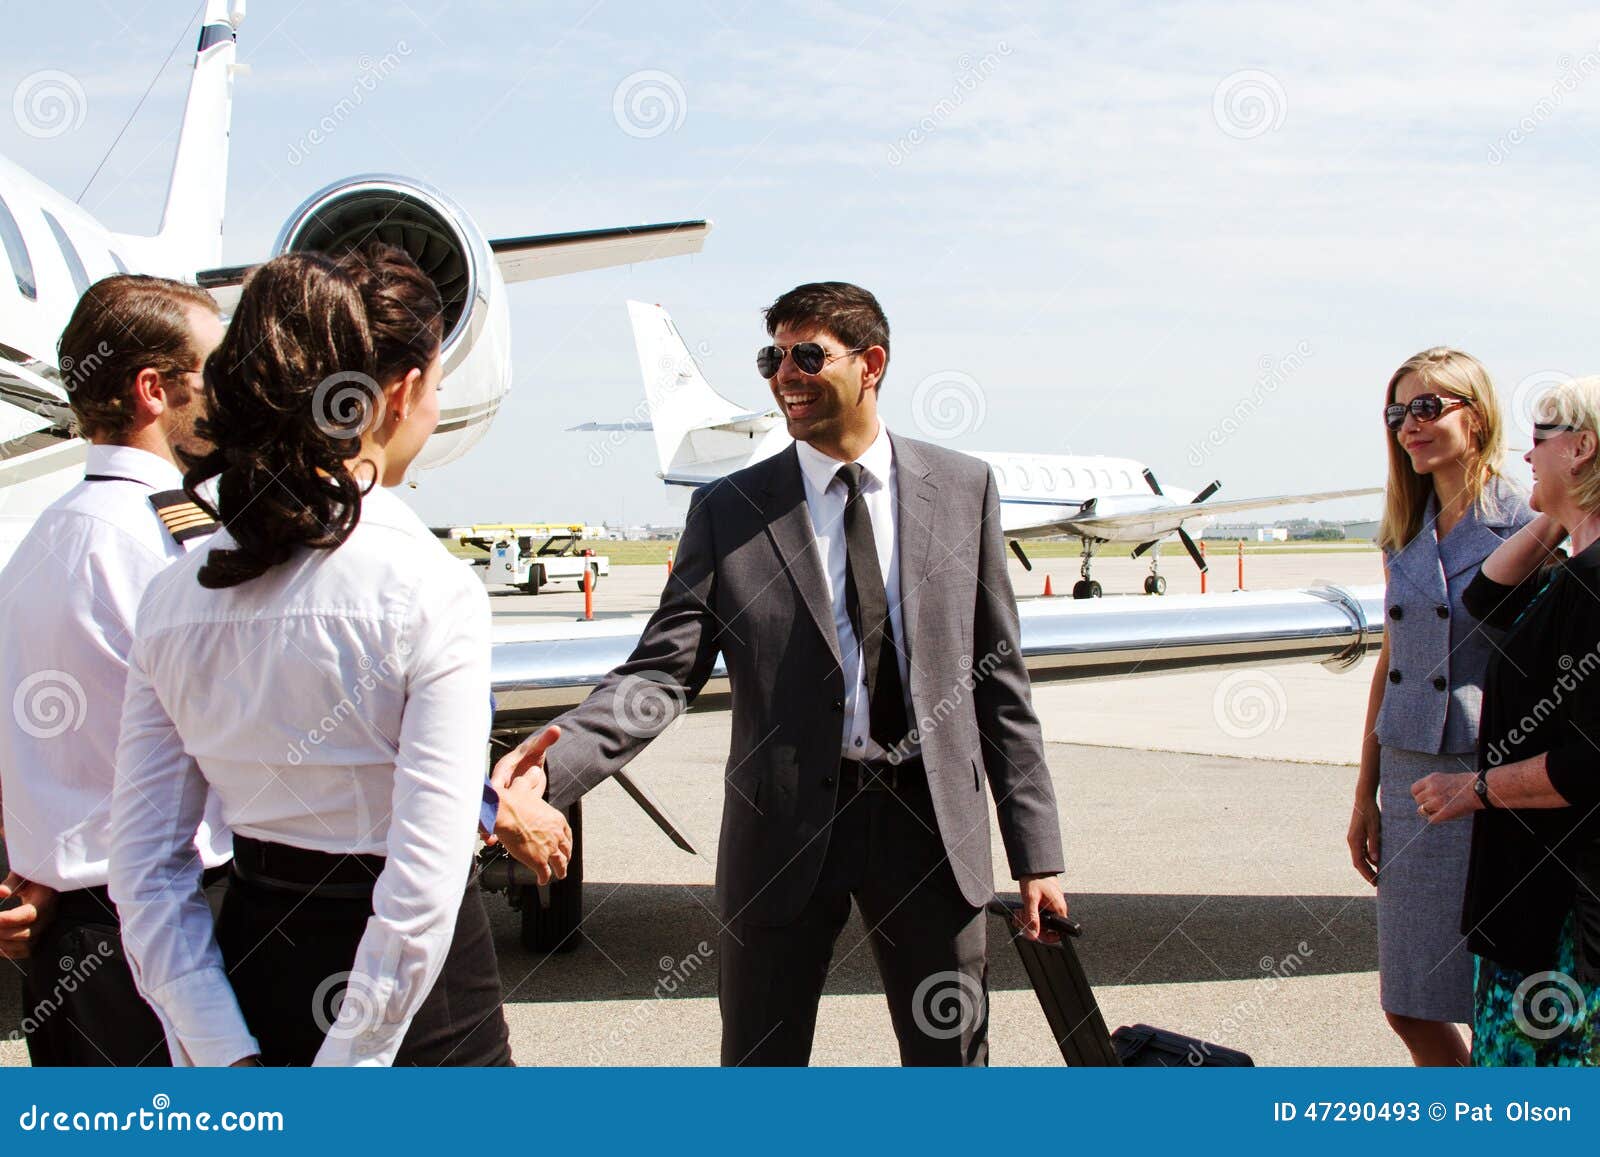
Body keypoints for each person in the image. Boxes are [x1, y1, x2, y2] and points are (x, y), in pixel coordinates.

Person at [494, 281, 1069, 1066]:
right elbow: (660, 674)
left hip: (931, 825)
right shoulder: (730, 509)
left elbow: (1000, 685)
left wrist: (1037, 854)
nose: (784, 375)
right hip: (784, 830)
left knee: (951, 1061)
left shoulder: (964, 490)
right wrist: (550, 767)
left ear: (871, 363)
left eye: (807, 355)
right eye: (773, 358)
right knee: (761, 1062)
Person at [109, 246, 557, 1066]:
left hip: (251, 986)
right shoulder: (432, 590)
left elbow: (144, 871)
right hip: (423, 1026)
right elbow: (421, 887)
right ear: (402, 393)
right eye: (438, 386)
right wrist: (349, 1065)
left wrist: (219, 1049)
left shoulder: (173, 597)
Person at [0, 275, 231, 1066]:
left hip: (65, 945)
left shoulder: (41, 541)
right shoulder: (177, 545)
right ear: (153, 390)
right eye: (212, 371)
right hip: (171, 939)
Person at [1348, 347, 1531, 1065]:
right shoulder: (1403, 530)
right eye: (1398, 412)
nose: (1409, 426)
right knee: (1408, 1001)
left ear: (1476, 417)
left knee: (1496, 1004)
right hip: (1409, 777)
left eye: (1427, 407)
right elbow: (1391, 662)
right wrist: (1364, 794)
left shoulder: (1528, 524)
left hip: (1493, 781)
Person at [1414, 373, 1600, 1066]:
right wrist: (1563, 513)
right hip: (1537, 900)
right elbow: (1487, 599)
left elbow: (1590, 763)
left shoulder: (1592, 583)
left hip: (1565, 918)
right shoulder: (1572, 570)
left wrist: (1473, 789)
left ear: (1582, 447)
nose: (1526, 456)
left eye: (1541, 439)